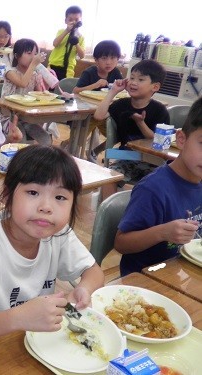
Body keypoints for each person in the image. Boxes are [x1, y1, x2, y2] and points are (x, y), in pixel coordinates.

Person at [0, 145, 105, 345]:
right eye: (32, 192)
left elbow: (94, 272)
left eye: (60, 197)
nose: (46, 207)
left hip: (37, 340)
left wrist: (84, 288)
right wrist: (17, 318)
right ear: (7, 194)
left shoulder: (58, 234)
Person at [114, 97, 202, 276]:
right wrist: (163, 232)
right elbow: (121, 243)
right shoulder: (153, 189)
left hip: (184, 274)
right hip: (146, 281)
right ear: (182, 139)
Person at [93, 59, 169, 199]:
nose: (134, 82)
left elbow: (157, 140)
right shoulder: (122, 104)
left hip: (153, 161)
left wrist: (141, 123)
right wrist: (113, 91)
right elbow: (99, 116)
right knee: (108, 178)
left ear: (155, 87)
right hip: (127, 158)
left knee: (161, 184)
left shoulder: (159, 110)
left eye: (141, 79)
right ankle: (106, 212)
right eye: (132, 77)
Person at [72, 40, 123, 162]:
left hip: (105, 113)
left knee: (118, 135)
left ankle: (95, 151)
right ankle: (69, 149)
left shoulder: (116, 73)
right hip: (87, 113)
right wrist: (94, 85)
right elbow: (76, 90)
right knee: (79, 139)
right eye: (104, 58)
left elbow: (121, 91)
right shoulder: (89, 72)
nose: (109, 62)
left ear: (118, 59)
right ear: (96, 60)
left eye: (113, 58)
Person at [0, 38, 52, 145]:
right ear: (17, 56)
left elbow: (39, 95)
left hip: (26, 118)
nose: (33, 57)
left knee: (46, 139)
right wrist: (33, 65)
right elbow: (22, 83)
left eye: (35, 53)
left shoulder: (35, 74)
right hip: (7, 117)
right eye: (29, 53)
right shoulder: (10, 72)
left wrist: (45, 90)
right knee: (20, 140)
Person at [48, 5, 85, 80]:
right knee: (49, 87)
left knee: (64, 88)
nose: (74, 22)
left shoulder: (81, 37)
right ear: (66, 21)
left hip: (68, 69)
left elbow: (82, 56)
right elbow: (55, 44)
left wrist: (76, 43)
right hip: (53, 65)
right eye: (70, 19)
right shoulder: (61, 31)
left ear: (80, 21)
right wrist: (66, 31)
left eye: (77, 20)